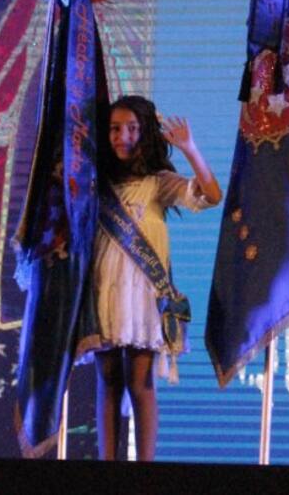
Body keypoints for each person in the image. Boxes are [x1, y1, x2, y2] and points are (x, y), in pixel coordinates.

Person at [74, 94, 221, 461]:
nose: (123, 136)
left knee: (141, 383)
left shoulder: (159, 183)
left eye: (132, 128)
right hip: (105, 291)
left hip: (143, 297)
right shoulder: (95, 182)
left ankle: (145, 468)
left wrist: (189, 149)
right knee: (108, 382)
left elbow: (212, 195)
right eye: (115, 129)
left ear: (146, 133)